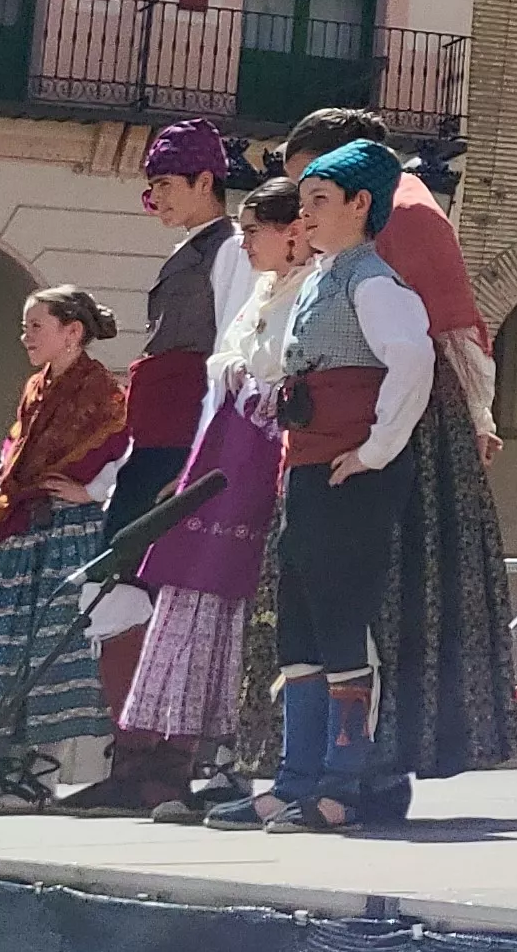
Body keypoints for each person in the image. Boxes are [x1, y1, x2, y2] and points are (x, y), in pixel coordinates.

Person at [277, 109, 517, 800]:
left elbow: (445, 331)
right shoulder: (330, 266)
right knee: (328, 608)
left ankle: (366, 771)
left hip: (401, 430)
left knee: (391, 598)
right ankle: (319, 771)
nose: (301, 207)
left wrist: (462, 419)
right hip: (342, 437)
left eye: (311, 188)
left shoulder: (405, 223)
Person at [210, 141, 436, 830]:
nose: (303, 214)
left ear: (361, 204)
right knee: (299, 628)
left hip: (349, 473)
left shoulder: (374, 281)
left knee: (342, 624)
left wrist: (374, 449)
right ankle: (293, 779)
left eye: (318, 200)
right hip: (307, 467)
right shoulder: (321, 278)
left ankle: (343, 785)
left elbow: (412, 359)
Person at [58, 120, 252, 815]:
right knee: (111, 593)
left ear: (206, 179)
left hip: (181, 450)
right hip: (154, 446)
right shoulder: (193, 251)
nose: (157, 198)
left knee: (163, 599)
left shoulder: (232, 251)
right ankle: (134, 756)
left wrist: (202, 461)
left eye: (165, 184)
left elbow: (228, 357)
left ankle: (167, 765)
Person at [119, 179, 312, 823]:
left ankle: (246, 762)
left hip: (275, 465)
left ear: (292, 233)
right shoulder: (260, 290)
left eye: (255, 231)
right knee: (199, 593)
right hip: (227, 458)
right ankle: (185, 760)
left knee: (257, 613)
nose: (246, 242)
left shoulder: (311, 290)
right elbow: (226, 356)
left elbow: (293, 368)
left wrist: (252, 381)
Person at [0, 286, 131, 812]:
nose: (25, 337)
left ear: (72, 332)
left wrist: (94, 490)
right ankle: (6, 770)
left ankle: (37, 774)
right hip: (19, 526)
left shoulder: (102, 392)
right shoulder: (36, 387)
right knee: (0, 644)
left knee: (51, 651)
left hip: (65, 532)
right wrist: (8, 469)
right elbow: (18, 445)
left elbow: (122, 450)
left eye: (35, 326)